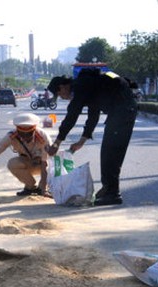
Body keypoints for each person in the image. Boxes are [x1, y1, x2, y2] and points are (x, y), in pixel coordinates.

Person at [46, 68, 137, 206]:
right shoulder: (88, 86)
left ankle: (113, 193)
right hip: (120, 111)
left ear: (62, 86)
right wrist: (82, 141)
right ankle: (108, 189)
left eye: (59, 94)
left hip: (123, 111)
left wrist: (57, 142)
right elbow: (93, 114)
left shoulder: (80, 86)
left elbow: (72, 115)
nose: (63, 97)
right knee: (107, 152)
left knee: (111, 153)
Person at [0, 113, 53, 196]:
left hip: (44, 165)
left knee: (51, 165)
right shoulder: (11, 136)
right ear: (18, 131)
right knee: (13, 164)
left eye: (29, 134)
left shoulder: (43, 137)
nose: (25, 137)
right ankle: (30, 187)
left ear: (34, 130)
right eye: (22, 134)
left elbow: (45, 163)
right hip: (28, 163)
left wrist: (43, 187)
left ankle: (42, 188)